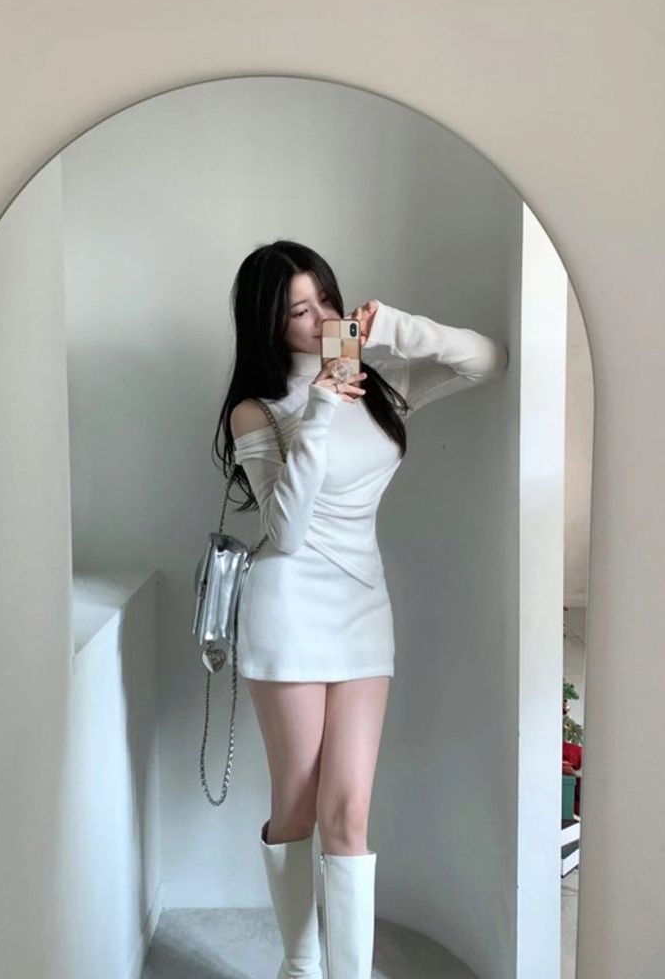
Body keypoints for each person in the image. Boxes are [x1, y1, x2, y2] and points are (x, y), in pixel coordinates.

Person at [216, 239, 505, 978]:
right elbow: (284, 532)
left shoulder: (380, 381)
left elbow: (486, 360)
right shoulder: (258, 410)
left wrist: (399, 329)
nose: (321, 320)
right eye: (298, 311)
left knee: (348, 812)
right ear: (269, 324)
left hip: (362, 604)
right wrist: (318, 408)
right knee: (298, 806)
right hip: (287, 608)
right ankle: (299, 964)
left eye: (326, 300)